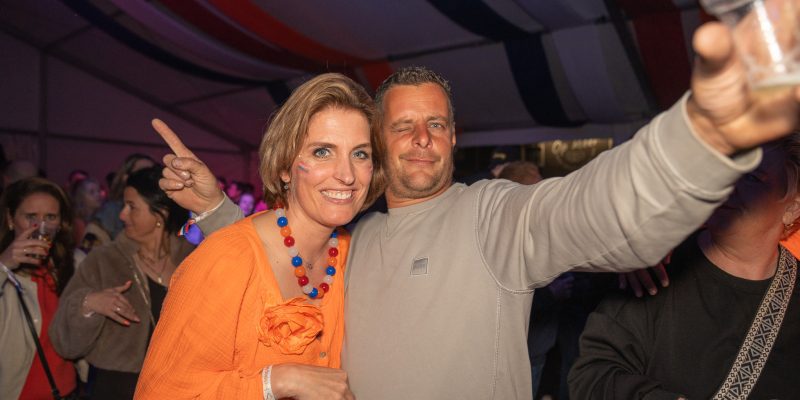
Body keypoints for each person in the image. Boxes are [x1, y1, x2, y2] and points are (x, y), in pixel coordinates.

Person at [152, 22, 799, 399]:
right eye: (402, 127)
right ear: (379, 142)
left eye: (436, 124)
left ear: (455, 138)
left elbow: (592, 207)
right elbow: (281, 274)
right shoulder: (355, 238)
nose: (422, 138)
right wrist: (214, 208)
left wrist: (705, 137)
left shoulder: (492, 217)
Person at [134, 72, 387, 399]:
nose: (347, 175)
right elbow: (159, 393)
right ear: (284, 167)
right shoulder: (224, 260)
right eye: (323, 152)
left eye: (360, 154)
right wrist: (274, 382)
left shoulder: (353, 255)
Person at [569, 135, 800, 399]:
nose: (728, 185)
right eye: (727, 169)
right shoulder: (653, 270)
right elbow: (591, 378)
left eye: (752, 178)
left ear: (793, 207)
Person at [49, 166, 192, 399]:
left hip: (178, 388)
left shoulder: (192, 261)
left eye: (131, 207)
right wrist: (88, 304)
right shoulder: (104, 260)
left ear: (161, 214)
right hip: (114, 389)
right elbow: (62, 342)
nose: (122, 215)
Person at [0, 177, 77, 399]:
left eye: (50, 217)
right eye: (31, 216)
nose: (40, 227)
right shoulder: (4, 269)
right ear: (11, 219)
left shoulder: (74, 264)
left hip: (66, 392)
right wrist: (3, 266)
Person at [94, 154, 156, 239]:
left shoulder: (158, 210)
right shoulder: (111, 211)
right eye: (142, 173)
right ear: (126, 178)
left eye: (152, 173)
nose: (149, 178)